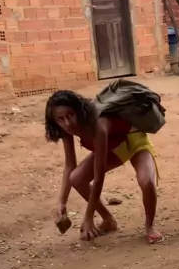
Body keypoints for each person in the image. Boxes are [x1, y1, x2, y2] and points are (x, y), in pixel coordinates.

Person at [45, 89, 163, 244]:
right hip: (112, 150)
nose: (68, 123)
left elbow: (99, 176)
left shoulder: (98, 124)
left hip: (134, 141)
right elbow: (69, 166)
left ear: (79, 111)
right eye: (60, 119)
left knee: (146, 181)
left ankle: (150, 225)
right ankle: (108, 220)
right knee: (76, 178)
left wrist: (88, 217)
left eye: (71, 115)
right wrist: (62, 202)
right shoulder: (66, 130)